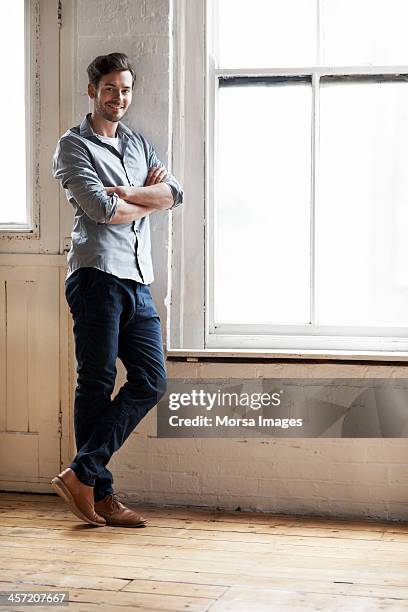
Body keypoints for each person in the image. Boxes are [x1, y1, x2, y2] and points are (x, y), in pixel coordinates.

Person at [51, 52, 183, 527]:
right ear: (93, 91)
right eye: (110, 88)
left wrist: (124, 193)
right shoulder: (73, 146)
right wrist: (138, 196)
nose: (119, 98)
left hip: (137, 280)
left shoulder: (138, 143)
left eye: (125, 89)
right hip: (95, 277)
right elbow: (101, 211)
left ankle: (81, 473)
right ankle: (101, 496)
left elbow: (174, 194)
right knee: (97, 383)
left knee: (152, 380)